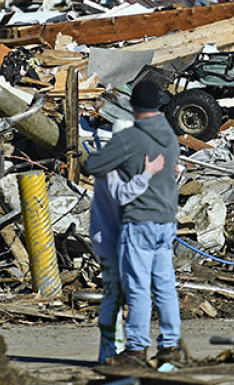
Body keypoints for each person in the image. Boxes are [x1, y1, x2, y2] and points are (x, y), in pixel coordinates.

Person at [84, 80, 183, 368]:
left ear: (132, 106)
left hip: (139, 222)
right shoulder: (171, 137)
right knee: (164, 285)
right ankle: (170, 348)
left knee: (137, 285)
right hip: (166, 222)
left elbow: (93, 165)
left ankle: (136, 349)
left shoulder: (131, 139)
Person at [90, 152, 164, 363]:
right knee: (124, 295)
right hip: (115, 242)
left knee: (113, 295)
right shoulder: (119, 172)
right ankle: (119, 351)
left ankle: (110, 350)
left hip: (107, 240)